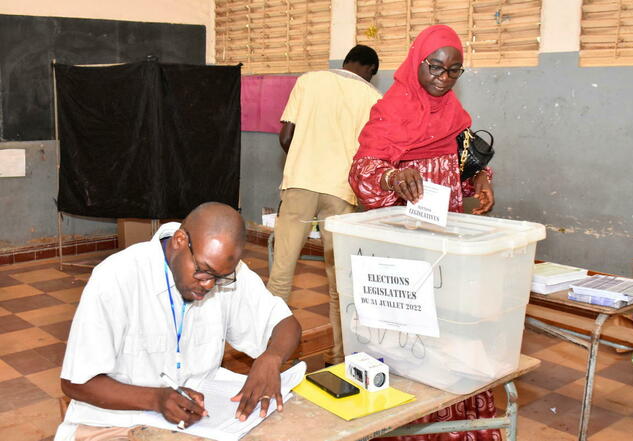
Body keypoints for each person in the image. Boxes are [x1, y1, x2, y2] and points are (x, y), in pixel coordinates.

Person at [349, 25, 497, 441]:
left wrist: (481, 182)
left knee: (449, 339)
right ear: (418, 60)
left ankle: (454, 429)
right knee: (410, 346)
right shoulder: (390, 110)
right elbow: (361, 170)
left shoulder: (453, 113)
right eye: (435, 67)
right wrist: (394, 176)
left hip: (444, 249)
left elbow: (466, 165)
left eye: (454, 71)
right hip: (400, 250)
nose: (443, 78)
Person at [55, 202, 302, 441]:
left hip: (201, 425)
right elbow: (76, 383)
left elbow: (286, 324)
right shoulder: (117, 277)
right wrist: (156, 400)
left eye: (220, 278)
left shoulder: (224, 271)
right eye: (203, 271)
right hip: (115, 425)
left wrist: (272, 357)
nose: (209, 284)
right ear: (180, 241)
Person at [267, 45, 382, 366]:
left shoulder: (309, 80)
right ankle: (338, 357)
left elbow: (285, 137)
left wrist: (306, 158)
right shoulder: (373, 98)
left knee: (281, 275)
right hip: (341, 190)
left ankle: (269, 356)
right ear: (370, 69)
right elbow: (369, 153)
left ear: (346, 61)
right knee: (339, 282)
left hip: (300, 182)